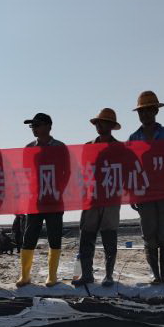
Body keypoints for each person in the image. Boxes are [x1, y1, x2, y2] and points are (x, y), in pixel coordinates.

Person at [127, 91, 164, 284]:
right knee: (149, 234)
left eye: (149, 110)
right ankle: (154, 272)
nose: (145, 114)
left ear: (156, 111)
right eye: (142, 111)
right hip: (144, 193)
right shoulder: (133, 138)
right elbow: (129, 167)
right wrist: (131, 192)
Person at [16, 112, 68, 288]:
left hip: (55, 201)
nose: (34, 129)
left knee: (55, 237)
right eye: (32, 126)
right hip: (35, 201)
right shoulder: (29, 148)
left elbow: (67, 172)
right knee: (29, 237)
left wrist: (57, 190)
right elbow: (25, 173)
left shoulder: (60, 147)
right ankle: (25, 276)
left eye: (37, 125)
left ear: (48, 126)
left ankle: (52, 276)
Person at [73, 108, 122, 287]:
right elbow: (83, 171)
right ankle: (86, 274)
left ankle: (109, 275)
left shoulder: (120, 148)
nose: (100, 125)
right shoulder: (88, 147)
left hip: (111, 198)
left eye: (104, 122)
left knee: (109, 236)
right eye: (98, 122)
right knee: (86, 236)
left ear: (111, 126)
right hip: (91, 197)